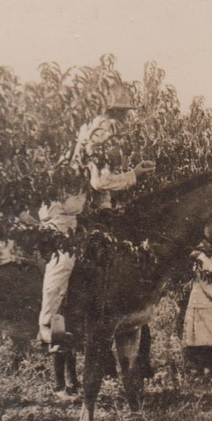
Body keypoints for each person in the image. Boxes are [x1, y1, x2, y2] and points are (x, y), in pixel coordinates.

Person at [37, 82, 156, 397]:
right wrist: (134, 175)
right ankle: (48, 326)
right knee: (64, 260)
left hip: (76, 209)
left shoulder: (104, 134)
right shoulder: (100, 133)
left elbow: (99, 187)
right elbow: (100, 178)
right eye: (122, 114)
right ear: (112, 113)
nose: (125, 120)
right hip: (61, 210)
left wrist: (105, 208)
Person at [182, 247, 212, 375]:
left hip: (207, 303)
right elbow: (207, 283)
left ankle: (206, 366)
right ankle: (198, 367)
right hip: (201, 302)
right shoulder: (201, 260)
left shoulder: (210, 260)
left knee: (208, 335)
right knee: (200, 336)